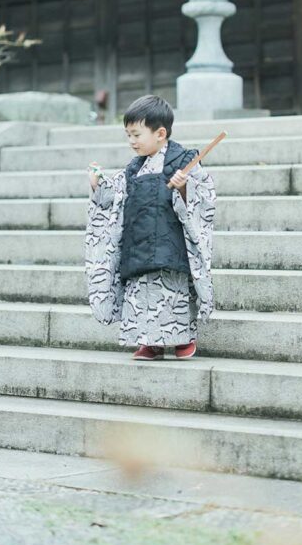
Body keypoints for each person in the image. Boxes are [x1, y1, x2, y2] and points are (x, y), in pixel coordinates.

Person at [84, 94, 216, 360]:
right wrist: (98, 184)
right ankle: (148, 341)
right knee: (140, 293)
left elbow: (204, 200)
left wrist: (184, 187)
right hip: (138, 242)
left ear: (160, 133)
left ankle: (183, 339)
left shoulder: (183, 160)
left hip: (170, 243)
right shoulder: (133, 169)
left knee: (173, 292)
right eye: (128, 135)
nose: (131, 142)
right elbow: (113, 197)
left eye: (136, 135)